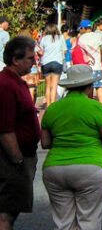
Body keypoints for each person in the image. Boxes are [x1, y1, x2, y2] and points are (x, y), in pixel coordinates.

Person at [40, 64, 102, 230]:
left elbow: (45, 143)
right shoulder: (95, 107)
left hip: (55, 168)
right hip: (90, 167)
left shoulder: (52, 109)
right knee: (88, 220)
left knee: (63, 222)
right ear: (89, 87)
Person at [0, 36, 41, 230]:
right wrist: (18, 160)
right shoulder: (6, 85)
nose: (34, 62)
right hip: (12, 159)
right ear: (16, 60)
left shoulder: (16, 81)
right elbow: (5, 128)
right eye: (30, 58)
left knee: (13, 208)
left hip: (22, 154)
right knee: (6, 211)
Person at [37, 23, 65, 108]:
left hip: (46, 63)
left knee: (48, 85)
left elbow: (40, 51)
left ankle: (48, 105)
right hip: (57, 62)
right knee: (54, 85)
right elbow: (65, 50)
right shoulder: (60, 38)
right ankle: (53, 104)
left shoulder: (44, 39)